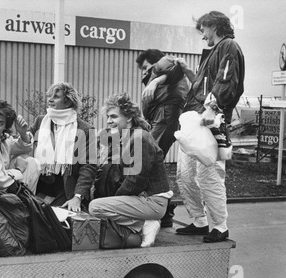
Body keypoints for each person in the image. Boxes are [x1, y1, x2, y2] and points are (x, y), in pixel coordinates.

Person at [174, 11, 245, 242]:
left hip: (209, 121)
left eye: (203, 30)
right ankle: (199, 221)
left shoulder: (229, 46)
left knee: (209, 175)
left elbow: (226, 79)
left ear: (213, 26)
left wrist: (212, 108)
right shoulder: (213, 51)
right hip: (195, 119)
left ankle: (220, 226)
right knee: (184, 175)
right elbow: (205, 84)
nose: (203, 36)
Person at [89, 93, 173, 247]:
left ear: (128, 117)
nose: (109, 121)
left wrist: (115, 200)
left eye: (114, 117)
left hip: (152, 202)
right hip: (141, 198)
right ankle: (141, 224)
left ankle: (144, 224)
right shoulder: (126, 138)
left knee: (96, 207)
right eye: (108, 117)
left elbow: (136, 180)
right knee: (98, 206)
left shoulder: (140, 138)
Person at [136, 49, 189, 228]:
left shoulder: (166, 64)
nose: (144, 72)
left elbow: (174, 66)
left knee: (146, 160)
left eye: (145, 67)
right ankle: (165, 210)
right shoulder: (159, 73)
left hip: (165, 116)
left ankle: (161, 209)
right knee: (153, 163)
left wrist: (156, 80)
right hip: (160, 117)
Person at [29, 82, 97, 212]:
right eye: (49, 96)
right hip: (39, 186)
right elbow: (26, 144)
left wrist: (78, 196)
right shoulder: (40, 121)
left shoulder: (86, 130)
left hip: (66, 191)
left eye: (56, 96)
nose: (50, 99)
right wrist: (22, 134)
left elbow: (88, 166)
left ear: (68, 102)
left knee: (55, 223)